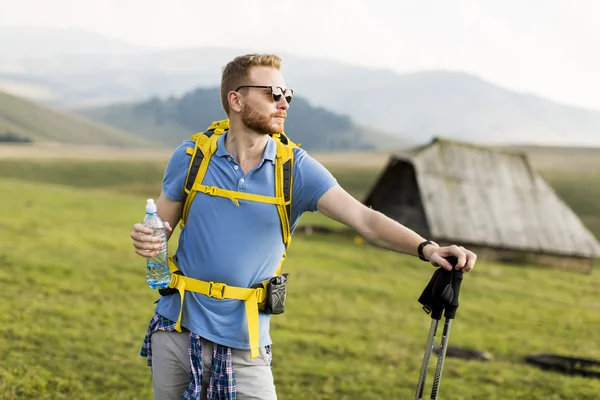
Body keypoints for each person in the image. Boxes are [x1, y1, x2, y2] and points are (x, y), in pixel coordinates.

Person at [129, 53, 477, 400]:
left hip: (245, 343)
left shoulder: (295, 170)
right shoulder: (192, 157)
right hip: (177, 329)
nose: (283, 103)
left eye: (287, 95)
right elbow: (161, 226)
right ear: (235, 99)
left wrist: (428, 248)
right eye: (272, 93)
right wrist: (149, 238)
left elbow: (364, 219)